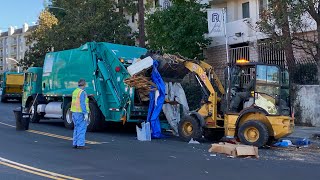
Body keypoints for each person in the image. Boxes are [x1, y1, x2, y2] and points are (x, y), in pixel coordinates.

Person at [71, 79, 90, 149]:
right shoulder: (82, 92)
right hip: (80, 113)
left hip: (74, 112)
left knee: (76, 128)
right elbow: (82, 103)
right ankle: (80, 144)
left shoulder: (75, 91)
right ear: (84, 85)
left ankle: (75, 143)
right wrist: (85, 113)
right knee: (82, 128)